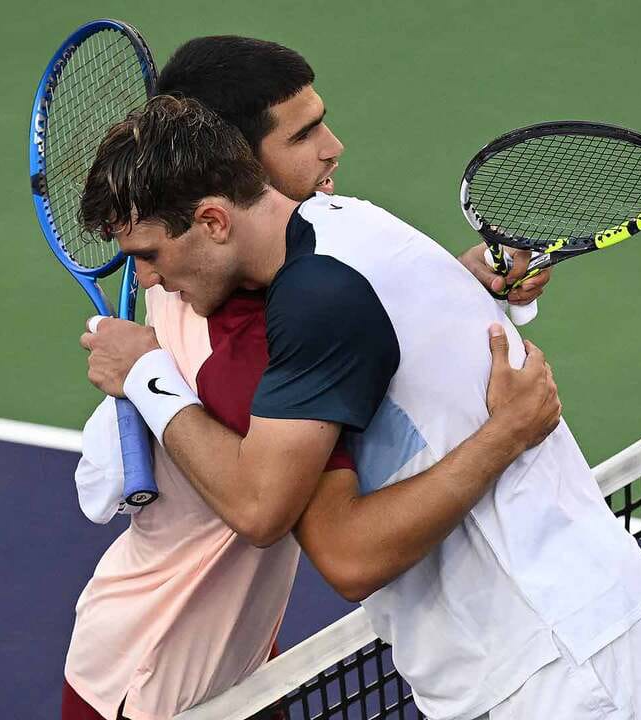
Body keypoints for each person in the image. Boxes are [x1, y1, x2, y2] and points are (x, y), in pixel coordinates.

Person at [78, 96, 641, 720]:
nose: (149, 281)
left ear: (213, 221)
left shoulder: (315, 303)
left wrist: (146, 378)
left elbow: (337, 552)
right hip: (572, 638)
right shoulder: (350, 221)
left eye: (150, 255)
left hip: (556, 669)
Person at [61, 38, 553, 720]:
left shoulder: (237, 273)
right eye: (302, 134)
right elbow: (286, 517)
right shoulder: (232, 325)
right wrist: (510, 431)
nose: (332, 148)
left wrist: (466, 289)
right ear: (233, 169)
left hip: (240, 671)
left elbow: (351, 323)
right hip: (150, 686)